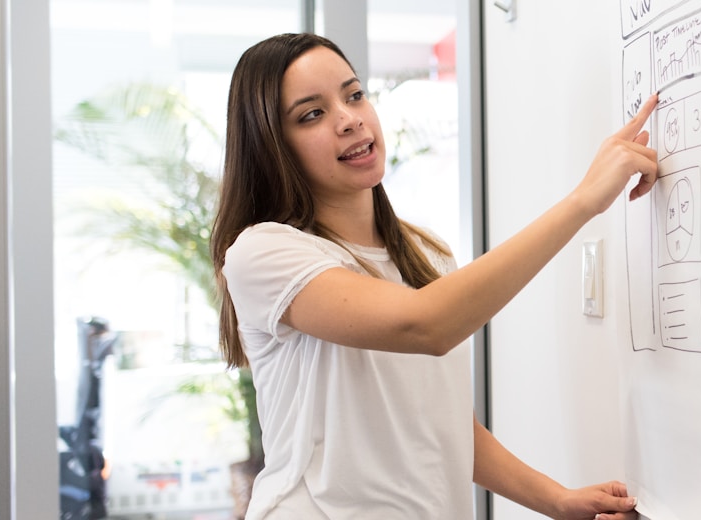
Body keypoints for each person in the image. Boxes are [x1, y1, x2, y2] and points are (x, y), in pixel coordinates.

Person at [210, 32, 659, 519]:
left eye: (354, 93)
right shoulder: (262, 251)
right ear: (272, 145)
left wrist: (557, 500)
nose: (349, 119)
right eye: (312, 114)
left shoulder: (424, 253)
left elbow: (442, 424)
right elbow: (425, 325)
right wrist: (584, 201)